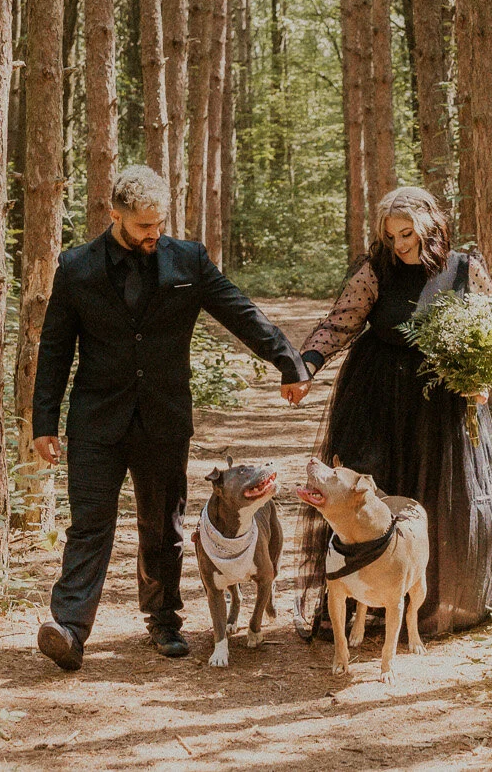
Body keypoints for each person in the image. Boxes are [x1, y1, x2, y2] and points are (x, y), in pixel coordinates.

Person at [31, 165, 311, 672]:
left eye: (159, 224)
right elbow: (54, 348)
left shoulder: (188, 260)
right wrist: (43, 422)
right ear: (114, 214)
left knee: (164, 525)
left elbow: (238, 310)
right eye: (142, 226)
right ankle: (70, 629)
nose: (153, 234)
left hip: (163, 416)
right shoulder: (77, 268)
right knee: (90, 525)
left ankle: (163, 621)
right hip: (96, 419)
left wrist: (287, 360)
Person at [293, 186, 492, 637]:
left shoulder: (464, 268)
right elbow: (341, 322)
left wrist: (482, 378)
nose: (400, 244)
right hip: (378, 392)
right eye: (392, 236)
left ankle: (429, 603)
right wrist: (306, 365)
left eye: (407, 233)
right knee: (371, 486)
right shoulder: (376, 270)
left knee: (438, 494)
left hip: (440, 399)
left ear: (429, 226)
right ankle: (363, 601)